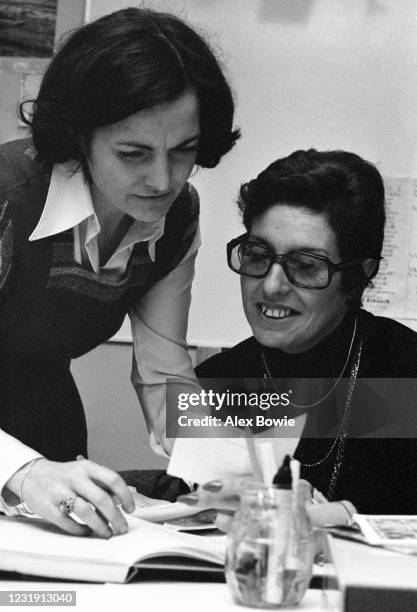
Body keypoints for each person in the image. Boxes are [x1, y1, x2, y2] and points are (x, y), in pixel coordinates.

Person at [0, 7, 239, 537]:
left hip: (49, 436)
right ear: (77, 133)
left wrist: (236, 476)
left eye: (185, 151)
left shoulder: (177, 219)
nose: (163, 179)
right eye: (133, 153)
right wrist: (22, 470)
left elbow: (164, 377)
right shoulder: (6, 196)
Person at [189, 149, 417, 527]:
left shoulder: (406, 372)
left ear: (358, 275)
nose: (271, 285)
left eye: (306, 266)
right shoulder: (214, 381)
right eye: (257, 255)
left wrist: (346, 516)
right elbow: (192, 515)